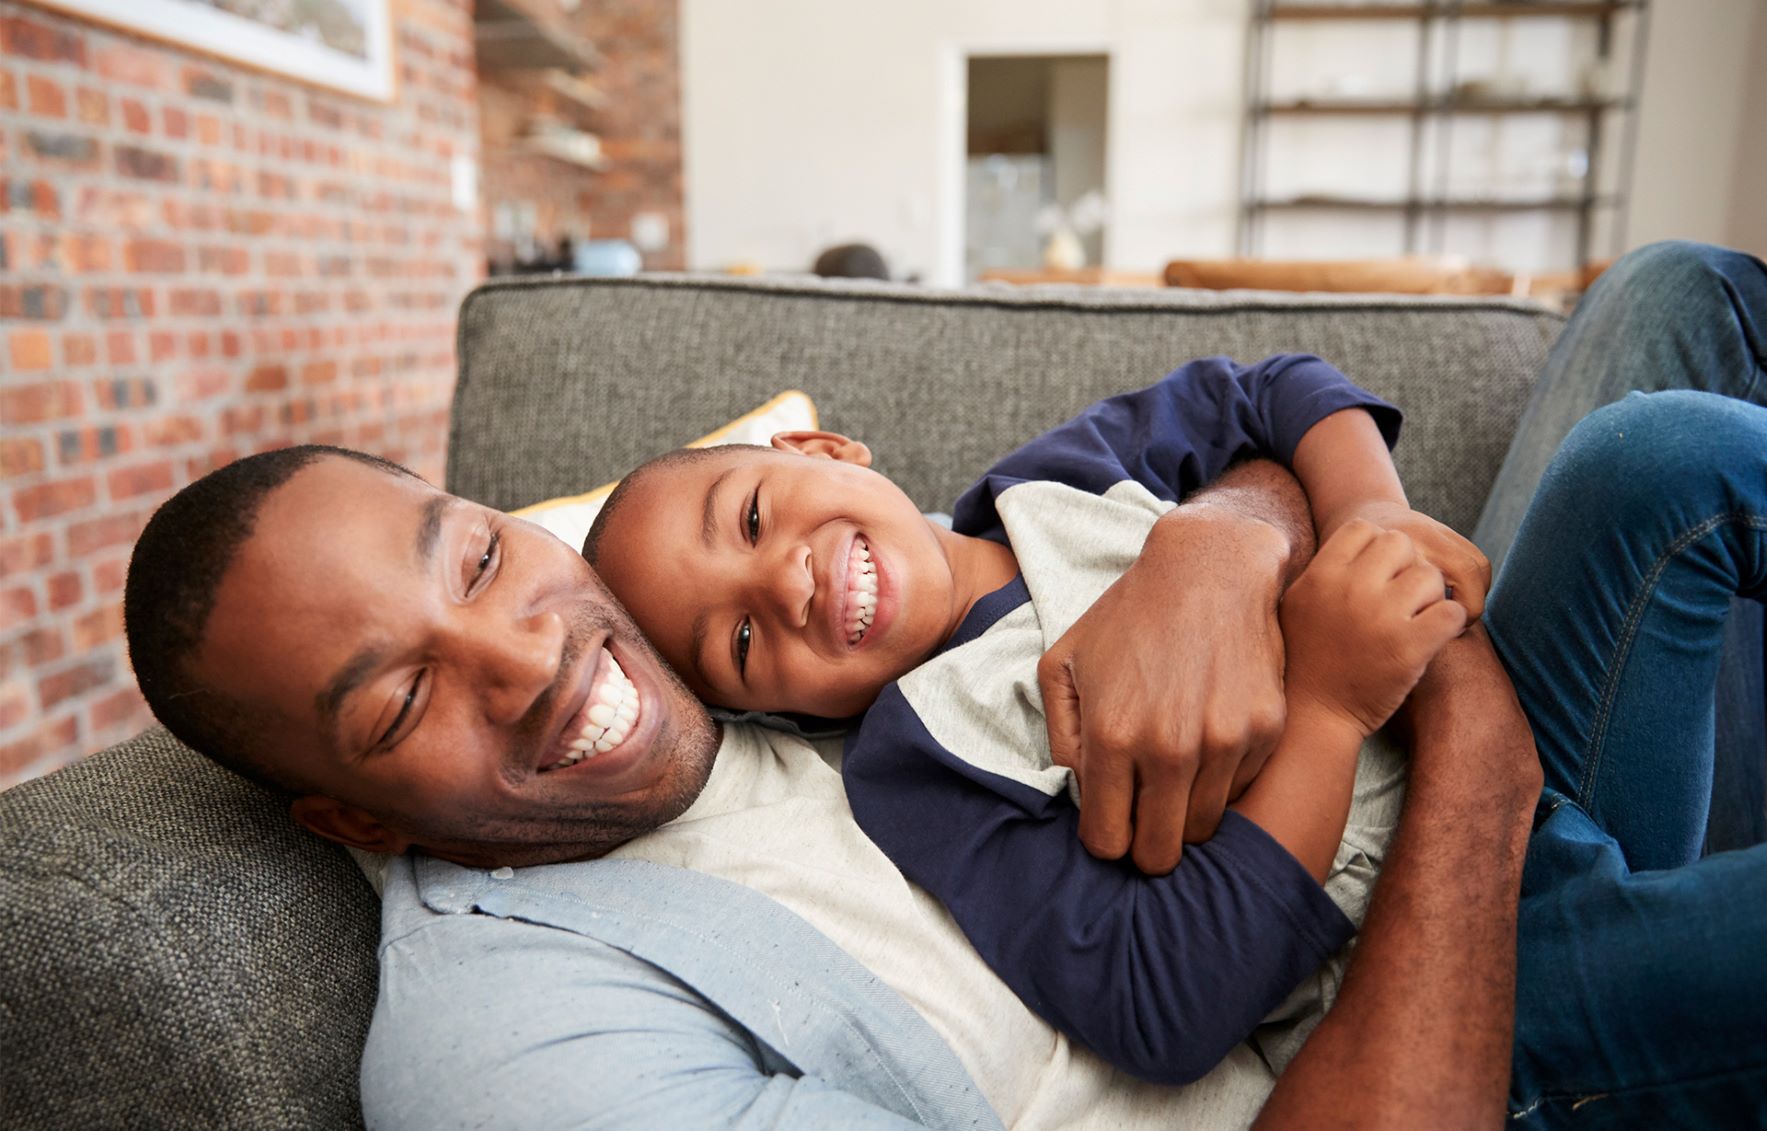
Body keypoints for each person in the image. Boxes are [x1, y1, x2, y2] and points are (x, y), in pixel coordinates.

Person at [118, 242, 1766, 1128]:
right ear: (343, 803)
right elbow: (1171, 998)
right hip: (1447, 981)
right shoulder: (531, 1043)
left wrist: (1234, 544)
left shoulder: (948, 539)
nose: (527, 655)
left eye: (475, 560)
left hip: (1440, 747)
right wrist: (1441, 743)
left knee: (1664, 408)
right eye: (397, 703)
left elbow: (1241, 405)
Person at [582, 357, 1475, 1083]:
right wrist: (1325, 709)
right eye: (738, 640)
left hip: (1483, 672)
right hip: (1462, 963)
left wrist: (1373, 517)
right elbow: (1158, 1003)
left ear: (823, 448)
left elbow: (1274, 389)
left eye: (749, 515)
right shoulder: (914, 768)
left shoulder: (1056, 480)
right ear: (772, 714)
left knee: (1617, 465)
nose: (784, 582)